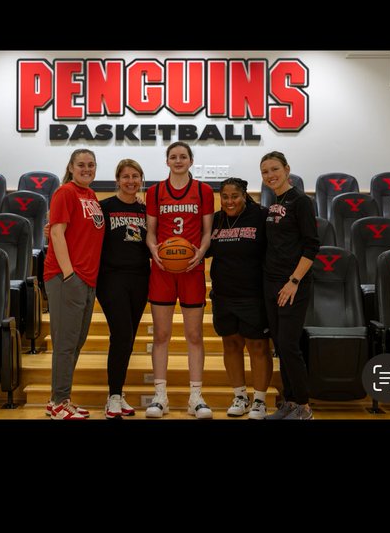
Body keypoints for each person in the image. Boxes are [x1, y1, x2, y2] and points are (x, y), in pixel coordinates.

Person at [145, 141, 215, 419]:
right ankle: (160, 396)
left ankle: (195, 397)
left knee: (194, 335)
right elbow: (151, 232)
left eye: (183, 156)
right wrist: (153, 250)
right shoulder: (154, 191)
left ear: (190, 160)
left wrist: (200, 253)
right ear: (167, 161)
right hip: (162, 269)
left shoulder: (204, 191)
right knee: (161, 335)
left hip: (192, 269)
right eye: (173, 157)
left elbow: (208, 231)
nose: (178, 161)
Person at [43, 148, 105, 420]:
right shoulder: (65, 192)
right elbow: (56, 233)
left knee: (75, 342)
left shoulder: (90, 195)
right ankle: (59, 402)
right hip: (66, 277)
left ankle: (59, 398)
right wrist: (69, 275)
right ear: (70, 166)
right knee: (65, 344)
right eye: (81, 164)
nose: (87, 169)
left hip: (86, 278)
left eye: (91, 165)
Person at [260, 151, 320, 420]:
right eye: (265, 172)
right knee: (280, 346)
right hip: (271, 283)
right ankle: (289, 402)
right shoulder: (275, 202)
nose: (270, 175)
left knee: (288, 344)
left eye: (274, 169)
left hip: (292, 284)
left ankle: (304, 406)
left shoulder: (301, 201)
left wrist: (294, 281)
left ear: (286, 169)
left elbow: (311, 246)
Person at [207, 177, 273, 418]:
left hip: (253, 295)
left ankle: (260, 400)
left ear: (244, 195)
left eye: (235, 196)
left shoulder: (261, 216)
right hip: (223, 295)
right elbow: (204, 250)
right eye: (225, 197)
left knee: (258, 346)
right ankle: (240, 396)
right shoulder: (216, 220)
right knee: (231, 345)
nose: (230, 201)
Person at [96, 159, 151, 419]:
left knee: (127, 339)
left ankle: (118, 392)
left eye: (135, 176)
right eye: (126, 176)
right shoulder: (104, 207)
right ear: (117, 180)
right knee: (121, 334)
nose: (131, 181)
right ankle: (114, 396)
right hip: (110, 278)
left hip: (140, 278)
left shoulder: (146, 210)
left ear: (141, 179)